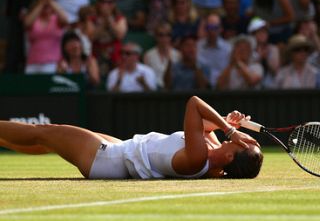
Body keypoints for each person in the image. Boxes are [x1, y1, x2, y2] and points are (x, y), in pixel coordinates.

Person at [0, 96, 263, 179]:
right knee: (47, 141)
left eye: (246, 144)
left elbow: (194, 104)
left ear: (231, 155)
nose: (245, 138)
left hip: (106, 158)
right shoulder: (213, 155)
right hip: (120, 151)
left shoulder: (198, 158)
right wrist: (227, 122)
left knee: (44, 132)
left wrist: (228, 129)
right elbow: (204, 127)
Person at [23, 0, 68, 74]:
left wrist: (49, 0)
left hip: (53, 63)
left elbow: (66, 19)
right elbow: (27, 23)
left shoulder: (56, 19)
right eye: (45, 4)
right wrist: (42, 2)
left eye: (49, 4)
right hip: (33, 63)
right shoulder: (34, 19)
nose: (46, 6)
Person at [92, 0, 128, 78]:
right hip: (96, 53)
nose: (106, 4)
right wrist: (103, 23)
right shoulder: (91, 18)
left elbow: (120, 36)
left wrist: (109, 18)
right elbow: (92, 37)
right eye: (103, 1)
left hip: (115, 54)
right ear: (98, 3)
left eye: (109, 2)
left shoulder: (120, 18)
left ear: (114, 4)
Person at [196, 14, 231, 88]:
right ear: (206, 28)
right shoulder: (197, 47)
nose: (212, 31)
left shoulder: (228, 48)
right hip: (201, 88)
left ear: (221, 28)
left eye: (215, 27)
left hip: (223, 88)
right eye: (210, 27)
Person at [143, 22, 181, 89]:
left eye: (168, 35)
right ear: (156, 37)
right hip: (154, 91)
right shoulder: (148, 55)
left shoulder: (178, 55)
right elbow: (147, 77)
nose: (164, 38)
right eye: (161, 35)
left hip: (173, 90)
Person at [247, 17, 280, 88]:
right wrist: (259, 58)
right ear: (252, 34)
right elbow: (246, 68)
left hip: (270, 88)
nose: (263, 34)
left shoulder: (273, 49)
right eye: (260, 31)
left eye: (265, 31)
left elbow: (276, 71)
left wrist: (266, 59)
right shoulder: (247, 49)